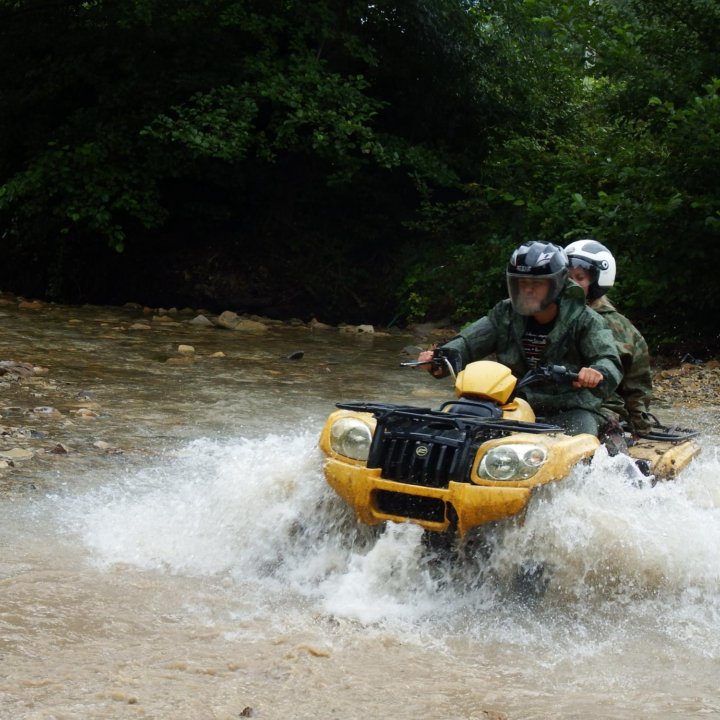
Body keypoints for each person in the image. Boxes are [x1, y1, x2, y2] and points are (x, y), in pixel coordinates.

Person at [418, 240, 623, 437]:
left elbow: (609, 361)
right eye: (521, 283)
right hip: (510, 404)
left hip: (569, 409)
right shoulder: (505, 313)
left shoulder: (586, 319)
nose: (527, 290)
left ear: (557, 285)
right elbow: (468, 343)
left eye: (537, 284)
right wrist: (440, 358)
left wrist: (596, 372)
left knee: (580, 433)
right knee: (451, 421)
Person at [564, 239, 653, 433]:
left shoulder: (620, 328)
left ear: (597, 282)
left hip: (600, 408)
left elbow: (637, 386)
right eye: (567, 277)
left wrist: (639, 426)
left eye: (579, 278)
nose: (571, 284)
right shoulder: (544, 317)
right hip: (551, 401)